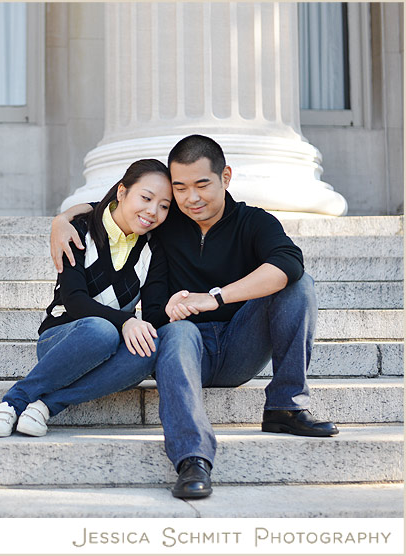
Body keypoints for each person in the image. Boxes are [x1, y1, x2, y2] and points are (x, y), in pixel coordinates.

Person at [50, 134, 338, 499]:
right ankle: (192, 459)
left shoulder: (254, 222)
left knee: (299, 285)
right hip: (183, 349)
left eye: (202, 184)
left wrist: (214, 298)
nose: (192, 198)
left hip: (239, 346)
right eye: (180, 188)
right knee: (181, 331)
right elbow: (111, 205)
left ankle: (285, 407)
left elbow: (287, 264)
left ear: (226, 177)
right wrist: (62, 219)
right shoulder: (165, 223)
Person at [0, 159, 174, 438]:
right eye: (146, 197)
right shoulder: (79, 229)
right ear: (122, 192)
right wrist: (126, 322)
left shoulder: (154, 249)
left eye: (164, 206)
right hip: (62, 341)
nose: (152, 211)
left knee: (150, 347)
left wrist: (177, 308)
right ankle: (14, 401)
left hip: (110, 351)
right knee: (100, 330)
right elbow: (74, 300)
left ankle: (46, 405)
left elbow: (154, 313)